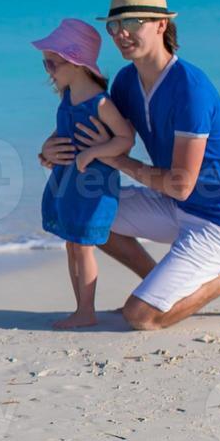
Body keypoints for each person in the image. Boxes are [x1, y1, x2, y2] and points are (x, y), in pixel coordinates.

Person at [40, 0, 220, 330]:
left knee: (142, 318)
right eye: (114, 26)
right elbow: (103, 136)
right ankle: (158, 282)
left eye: (133, 23)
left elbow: (180, 185)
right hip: (175, 208)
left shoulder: (190, 89)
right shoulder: (125, 83)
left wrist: (119, 161)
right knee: (89, 212)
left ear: (161, 25)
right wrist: (49, 150)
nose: (121, 34)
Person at [35, 19, 135, 329]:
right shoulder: (67, 98)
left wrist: (93, 152)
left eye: (53, 63)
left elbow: (125, 139)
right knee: (71, 244)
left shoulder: (101, 103)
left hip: (92, 187)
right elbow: (60, 132)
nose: (48, 70)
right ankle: (80, 307)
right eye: (45, 64)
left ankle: (86, 310)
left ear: (77, 63)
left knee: (84, 246)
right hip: (66, 183)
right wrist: (46, 150)